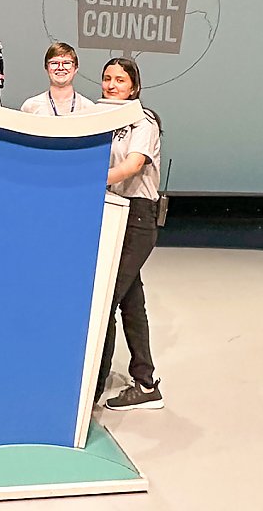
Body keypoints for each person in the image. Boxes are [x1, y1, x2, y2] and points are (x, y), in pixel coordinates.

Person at [94, 57, 165, 411]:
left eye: (119, 80)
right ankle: (145, 382)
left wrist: (88, 180)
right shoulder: (98, 116)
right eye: (107, 78)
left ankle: (93, 384)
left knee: (104, 298)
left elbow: (131, 166)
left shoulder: (143, 121)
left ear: (133, 87)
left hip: (137, 218)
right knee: (131, 301)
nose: (111, 85)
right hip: (108, 214)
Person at [19, 42, 94, 116]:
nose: (60, 68)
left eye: (67, 63)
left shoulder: (89, 108)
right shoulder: (30, 107)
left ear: (76, 68)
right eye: (54, 63)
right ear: (46, 68)